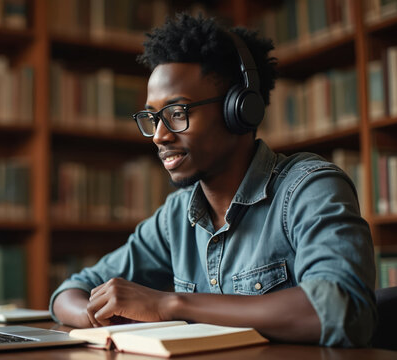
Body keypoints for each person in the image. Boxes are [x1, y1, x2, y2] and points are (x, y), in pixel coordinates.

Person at [49, 14, 377, 347]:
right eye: (152, 118)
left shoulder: (309, 188)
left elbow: (340, 309)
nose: (159, 136)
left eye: (177, 113)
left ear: (240, 111)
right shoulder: (175, 217)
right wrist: (99, 316)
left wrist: (170, 304)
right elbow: (70, 292)